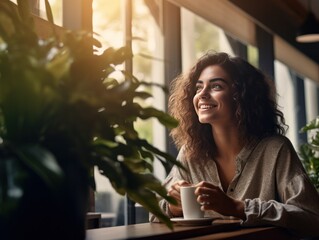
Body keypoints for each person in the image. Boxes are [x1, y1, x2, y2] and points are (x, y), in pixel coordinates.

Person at [149, 51, 319, 238]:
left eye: (216, 86)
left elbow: (312, 218)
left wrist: (238, 207)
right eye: (198, 88)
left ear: (241, 95)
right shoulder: (191, 153)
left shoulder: (275, 149)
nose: (202, 94)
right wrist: (172, 206)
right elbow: (154, 212)